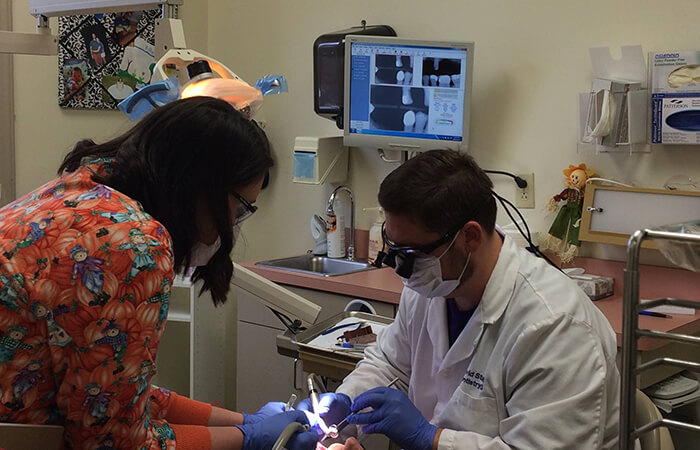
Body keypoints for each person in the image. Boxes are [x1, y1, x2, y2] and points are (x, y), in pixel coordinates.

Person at [0, 97, 317, 450]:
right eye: (240, 209)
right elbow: (115, 443)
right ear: (202, 187)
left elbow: (107, 396)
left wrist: (243, 420)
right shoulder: (131, 246)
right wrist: (247, 439)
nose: (233, 225)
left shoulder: (77, 192)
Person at [302, 150, 620, 449]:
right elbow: (390, 364)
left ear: (469, 237)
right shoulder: (432, 285)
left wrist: (432, 439)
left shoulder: (556, 326)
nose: (402, 269)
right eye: (394, 249)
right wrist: (345, 406)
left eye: (413, 253)